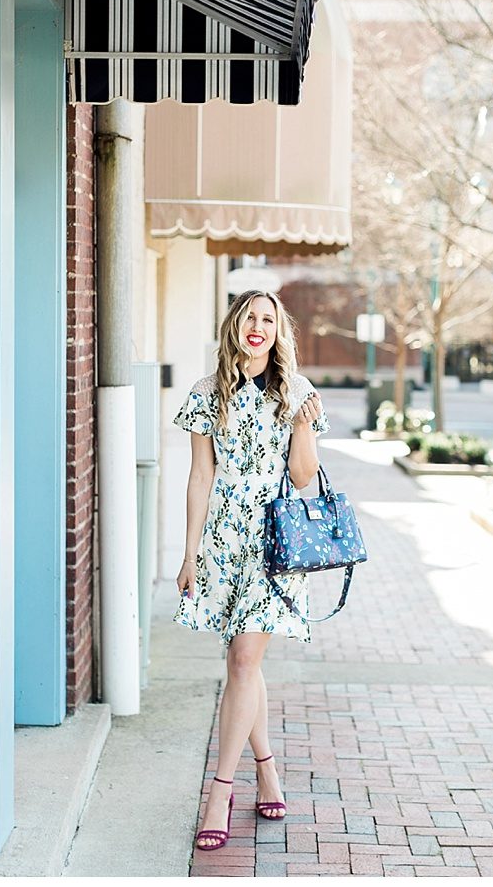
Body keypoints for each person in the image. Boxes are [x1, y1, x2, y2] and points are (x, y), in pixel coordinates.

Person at [173, 289, 329, 851]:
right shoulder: (205, 394)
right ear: (234, 327)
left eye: (268, 319)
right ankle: (265, 767)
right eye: (249, 318)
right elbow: (198, 477)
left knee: (243, 660)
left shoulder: (298, 392)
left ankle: (219, 790)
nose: (257, 327)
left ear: (277, 330)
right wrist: (190, 552)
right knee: (245, 666)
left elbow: (305, 478)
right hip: (222, 545)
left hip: (274, 545)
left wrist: (305, 427)